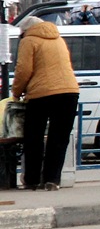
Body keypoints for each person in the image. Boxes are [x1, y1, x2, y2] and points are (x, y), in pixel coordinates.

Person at [11, 16, 80, 191]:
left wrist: (16, 92)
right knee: (59, 138)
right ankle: (52, 180)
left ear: (25, 30)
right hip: (70, 91)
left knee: (33, 137)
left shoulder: (29, 40)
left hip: (42, 94)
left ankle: (32, 180)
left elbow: (24, 69)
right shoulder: (58, 39)